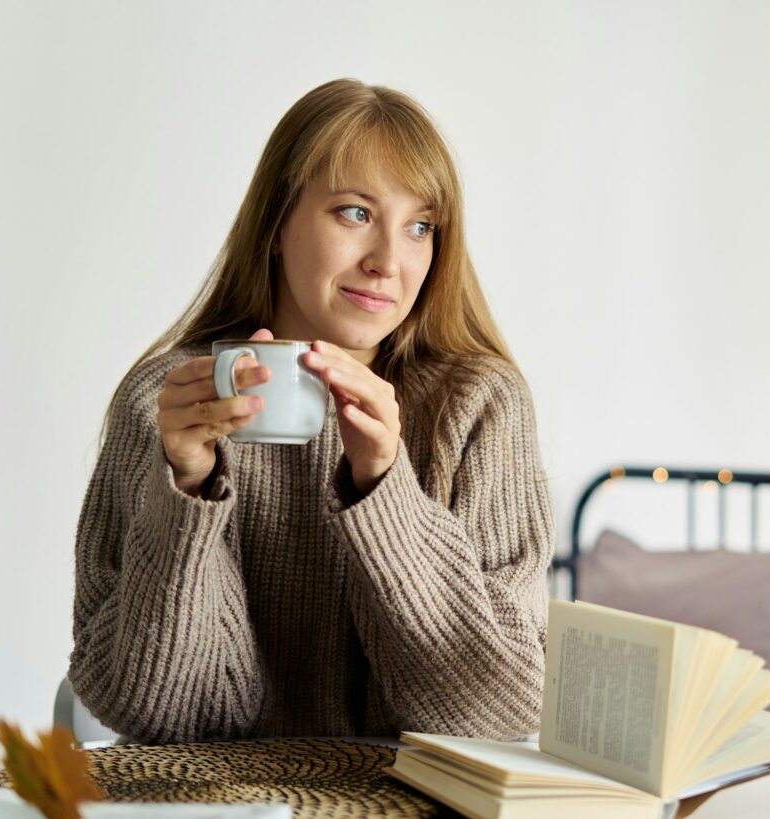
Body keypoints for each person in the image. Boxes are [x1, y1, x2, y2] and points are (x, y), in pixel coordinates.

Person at [68, 78, 555, 744]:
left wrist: (385, 488)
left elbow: (495, 711)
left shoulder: (477, 404)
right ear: (276, 223)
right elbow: (160, 713)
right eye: (355, 212)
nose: (389, 260)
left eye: (420, 226)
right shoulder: (169, 397)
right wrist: (186, 487)